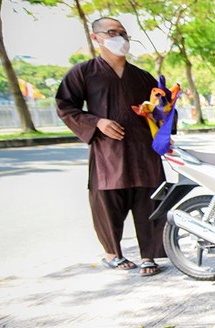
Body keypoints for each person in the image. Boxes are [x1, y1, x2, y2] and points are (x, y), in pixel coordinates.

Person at [56, 17, 166, 276]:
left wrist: (156, 114)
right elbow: (65, 106)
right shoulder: (83, 73)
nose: (121, 38)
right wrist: (97, 123)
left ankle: (148, 255)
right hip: (108, 151)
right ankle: (112, 253)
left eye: (124, 34)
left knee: (148, 199)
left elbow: (162, 109)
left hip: (142, 150)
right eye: (113, 32)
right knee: (107, 201)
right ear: (96, 38)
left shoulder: (142, 76)